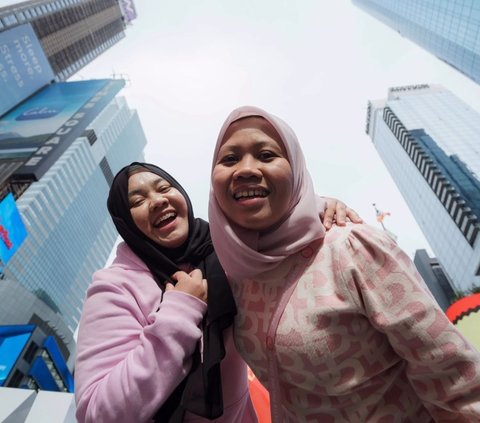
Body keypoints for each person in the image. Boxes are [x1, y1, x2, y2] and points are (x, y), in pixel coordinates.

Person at [208, 106, 480, 422]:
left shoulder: (353, 249)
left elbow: (450, 372)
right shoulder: (234, 274)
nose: (246, 169)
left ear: (296, 171)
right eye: (229, 159)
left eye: (267, 155)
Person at [74, 162, 360, 423]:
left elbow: (273, 231)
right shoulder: (115, 286)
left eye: (164, 188)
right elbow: (97, 413)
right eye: (138, 201)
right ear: (126, 222)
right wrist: (179, 311)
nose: (158, 200)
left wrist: (318, 208)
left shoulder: (224, 250)